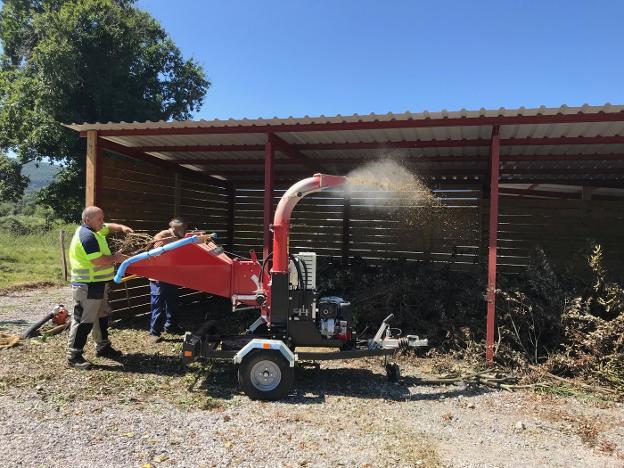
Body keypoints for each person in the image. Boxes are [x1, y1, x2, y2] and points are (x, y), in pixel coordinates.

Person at [67, 206, 133, 369]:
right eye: (99, 219)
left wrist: (122, 228)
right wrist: (115, 258)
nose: (102, 222)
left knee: (101, 316)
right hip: (87, 285)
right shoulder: (87, 236)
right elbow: (98, 261)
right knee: (83, 320)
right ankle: (73, 356)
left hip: (98, 284)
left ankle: (103, 347)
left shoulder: (96, 230)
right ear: (87, 220)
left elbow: (108, 227)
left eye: (102, 218)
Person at [148, 217, 188, 342]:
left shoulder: (179, 237)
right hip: (159, 277)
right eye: (183, 228)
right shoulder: (163, 235)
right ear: (176, 228)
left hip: (171, 276)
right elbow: (155, 252)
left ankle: (171, 326)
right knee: (158, 304)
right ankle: (154, 333)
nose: (185, 230)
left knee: (172, 302)